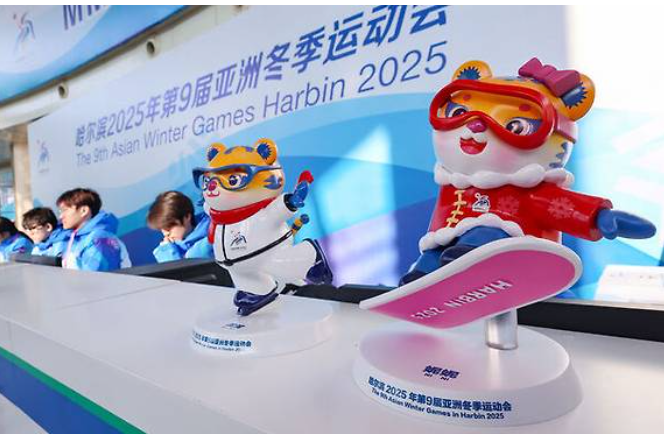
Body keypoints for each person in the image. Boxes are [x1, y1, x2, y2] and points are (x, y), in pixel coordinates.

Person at [56, 188, 131, 271]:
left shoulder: (100, 238)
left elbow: (98, 276)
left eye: (65, 210)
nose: (61, 217)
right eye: (60, 212)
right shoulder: (76, 239)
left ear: (84, 211)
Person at [146, 191, 213, 262]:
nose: (165, 234)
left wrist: (168, 255)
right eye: (161, 229)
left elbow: (182, 268)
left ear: (187, 217)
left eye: (168, 227)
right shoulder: (169, 247)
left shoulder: (211, 241)